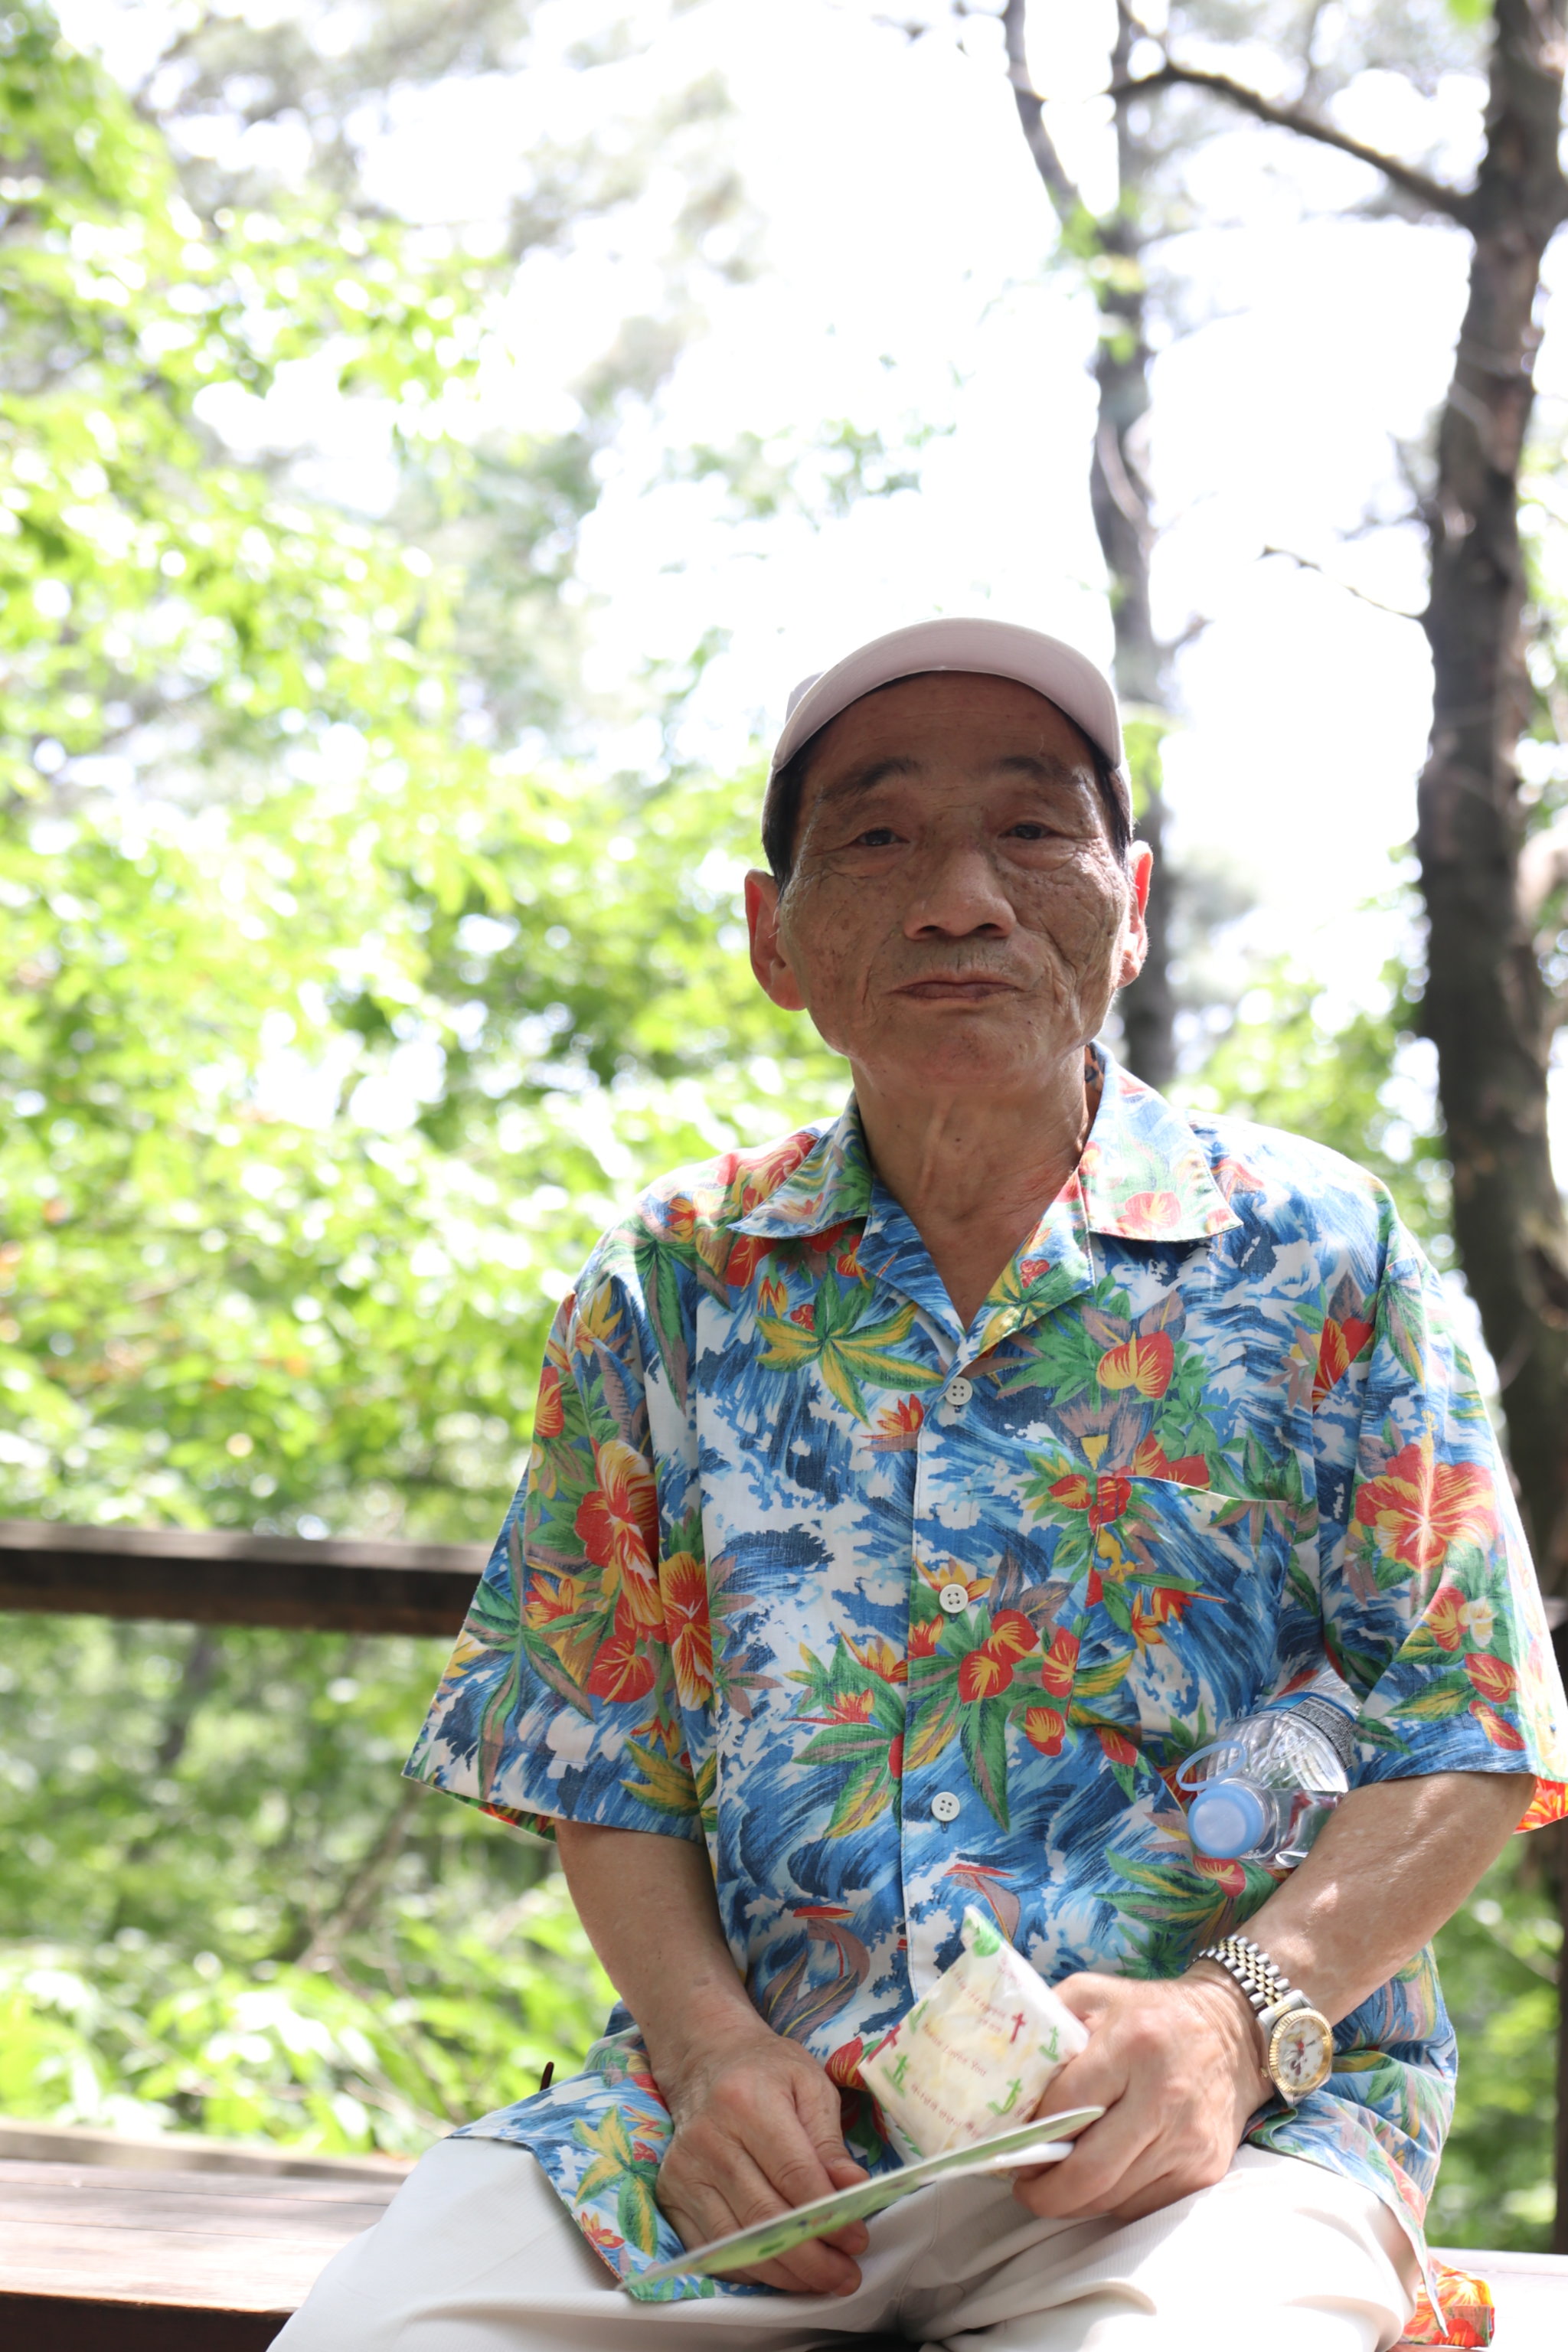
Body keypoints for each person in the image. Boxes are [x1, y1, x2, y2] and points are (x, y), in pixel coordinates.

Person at [277, 618, 1568, 2352]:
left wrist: (1232, 2015)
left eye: (1030, 829)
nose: (961, 900)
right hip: (743, 2143)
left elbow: (1471, 1727)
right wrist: (709, 2053)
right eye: (879, 837)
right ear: (775, 937)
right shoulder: (675, 1279)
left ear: (1128, 907)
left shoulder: (1323, 1254)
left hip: (1210, 2144)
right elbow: (596, 1745)